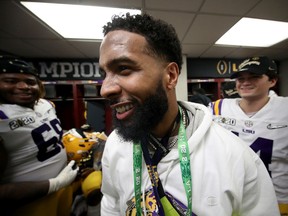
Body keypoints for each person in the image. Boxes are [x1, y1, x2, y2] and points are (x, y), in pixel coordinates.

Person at [98, 13, 280, 215]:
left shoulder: (235, 158)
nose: (105, 89)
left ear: (171, 75)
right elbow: (112, 205)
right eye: (104, 74)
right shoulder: (114, 145)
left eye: (123, 69)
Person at [0, 56, 79, 216]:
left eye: (30, 82)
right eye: (11, 80)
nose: (23, 87)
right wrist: (54, 184)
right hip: (28, 202)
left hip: (64, 188)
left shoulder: (45, 104)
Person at [210, 56, 288, 215]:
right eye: (240, 78)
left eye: (254, 77)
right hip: (231, 198)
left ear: (272, 81)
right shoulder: (217, 108)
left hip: (277, 201)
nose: (245, 82)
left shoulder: (284, 109)